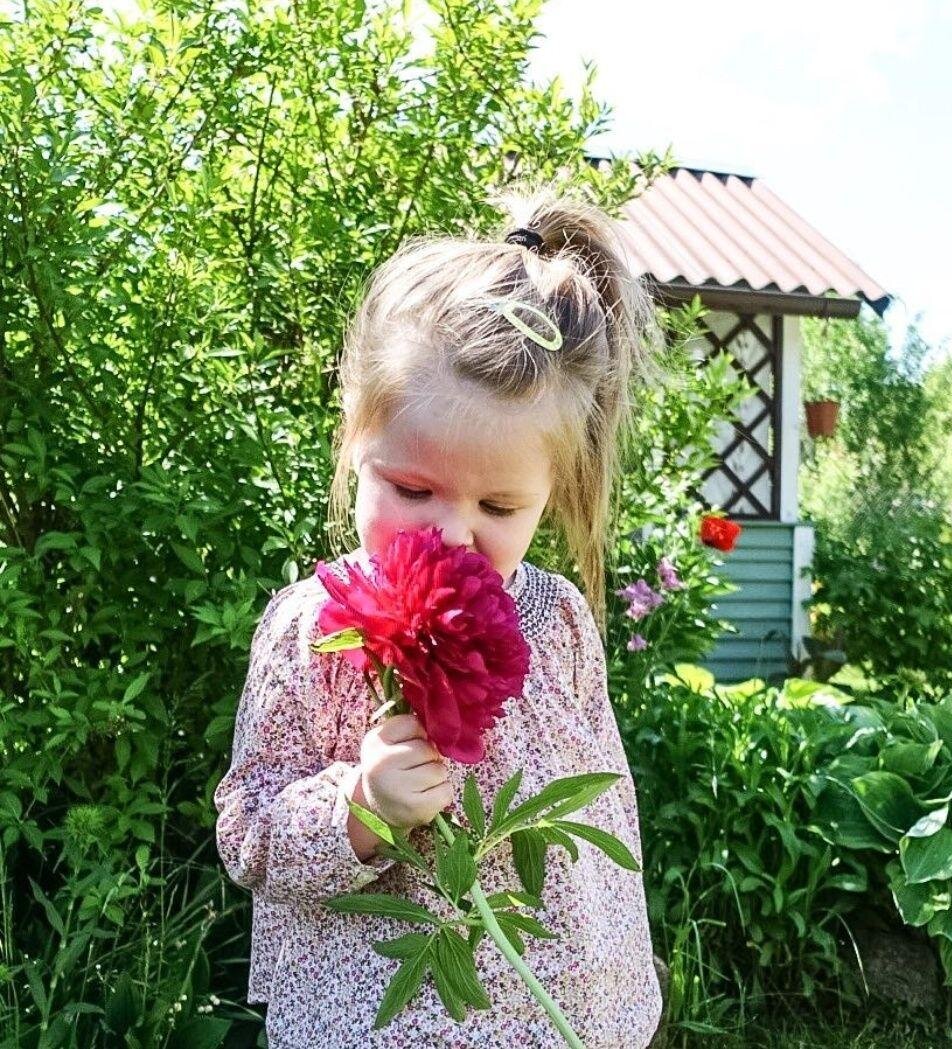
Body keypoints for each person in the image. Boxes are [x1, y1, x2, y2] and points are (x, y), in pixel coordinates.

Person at [213, 181, 666, 1047]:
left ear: (551, 494)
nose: (454, 534)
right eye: (413, 490)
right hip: (379, 1022)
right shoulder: (314, 629)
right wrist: (359, 804)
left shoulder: (558, 622)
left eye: (499, 507)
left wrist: (616, 995)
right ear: (357, 441)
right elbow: (248, 829)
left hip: (553, 1015)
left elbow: (604, 821)